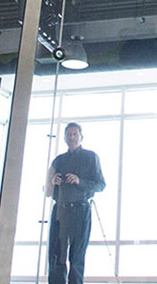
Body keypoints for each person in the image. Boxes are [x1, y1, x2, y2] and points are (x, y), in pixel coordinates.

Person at [46, 122, 105, 284]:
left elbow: (101, 185)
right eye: (69, 135)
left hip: (80, 210)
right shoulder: (58, 160)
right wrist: (53, 181)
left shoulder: (91, 157)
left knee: (76, 258)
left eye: (75, 134)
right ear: (64, 138)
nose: (72, 137)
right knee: (56, 255)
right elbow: (47, 190)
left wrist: (80, 181)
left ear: (81, 137)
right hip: (60, 211)